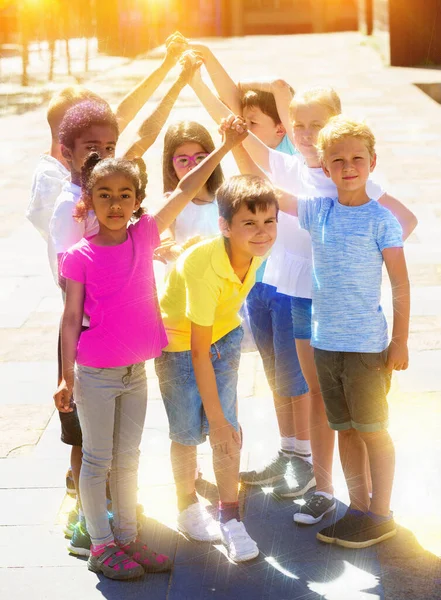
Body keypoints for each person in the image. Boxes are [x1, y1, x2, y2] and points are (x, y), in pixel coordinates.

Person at [199, 82, 417, 523]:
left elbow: (403, 224)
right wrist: (235, 141)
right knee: (320, 395)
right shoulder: (299, 171)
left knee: (364, 416)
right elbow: (262, 187)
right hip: (302, 295)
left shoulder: (357, 180)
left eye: (317, 124)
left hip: (347, 311)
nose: (305, 133)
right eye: (298, 125)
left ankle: (373, 505)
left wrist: (359, 258)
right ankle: (325, 487)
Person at [53, 118, 245, 580]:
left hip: (135, 372)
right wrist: (66, 376)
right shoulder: (79, 256)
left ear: (138, 201)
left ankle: (127, 537)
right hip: (96, 375)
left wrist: (225, 146)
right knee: (98, 460)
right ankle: (101, 546)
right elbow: (68, 318)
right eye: (105, 195)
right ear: (89, 202)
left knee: (129, 459)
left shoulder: (146, 234)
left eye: (125, 195)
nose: (115, 204)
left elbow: (188, 185)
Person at [274, 115, 409, 548]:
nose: (348, 167)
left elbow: (401, 284)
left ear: (372, 162)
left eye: (356, 158)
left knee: (372, 430)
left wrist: (400, 340)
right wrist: (231, 145)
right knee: (346, 429)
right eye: (337, 160)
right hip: (325, 344)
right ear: (325, 169)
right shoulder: (319, 211)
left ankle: (381, 513)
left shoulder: (382, 220)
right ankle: (358, 509)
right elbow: (271, 194)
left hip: (367, 347)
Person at [155, 166, 280, 563]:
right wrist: (219, 419)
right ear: (225, 226)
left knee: (227, 432)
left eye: (268, 221)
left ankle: (230, 516)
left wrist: (224, 421)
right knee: (189, 431)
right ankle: (187, 506)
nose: (262, 232)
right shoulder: (204, 268)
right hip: (177, 344)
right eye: (249, 223)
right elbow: (196, 351)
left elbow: (212, 339)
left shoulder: (257, 249)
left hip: (223, 334)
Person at [26, 35, 188, 243]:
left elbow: (122, 115)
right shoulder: (51, 182)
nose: (105, 152)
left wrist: (167, 66)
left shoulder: (85, 153)